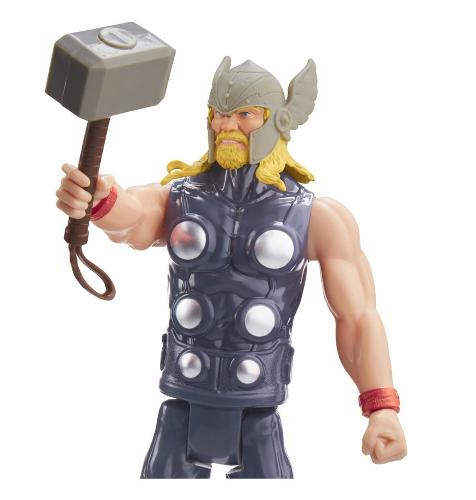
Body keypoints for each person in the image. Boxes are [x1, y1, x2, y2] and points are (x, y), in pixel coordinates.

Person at [56, 57, 407, 478]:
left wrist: (381, 406)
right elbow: (136, 217)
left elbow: (358, 316)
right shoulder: (181, 198)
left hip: (257, 400)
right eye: (219, 114)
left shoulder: (317, 217)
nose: (226, 126)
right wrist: (100, 201)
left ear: (278, 121)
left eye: (244, 114)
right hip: (185, 390)